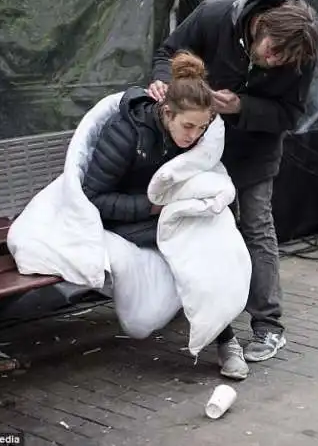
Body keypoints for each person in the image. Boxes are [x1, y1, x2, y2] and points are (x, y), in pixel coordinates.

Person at [146, 0, 318, 363]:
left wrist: (243, 106)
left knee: (257, 228)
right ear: (262, 26)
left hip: (255, 151)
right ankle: (203, 313)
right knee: (195, 226)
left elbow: (291, 115)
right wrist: (163, 81)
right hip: (197, 147)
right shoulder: (216, 15)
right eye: (272, 50)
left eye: (282, 60)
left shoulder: (301, 54)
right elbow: (168, 53)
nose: (273, 61)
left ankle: (268, 327)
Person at [82, 51, 250, 380]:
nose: (193, 137)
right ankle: (227, 341)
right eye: (188, 126)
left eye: (201, 129)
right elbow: (93, 197)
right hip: (124, 220)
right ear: (166, 111)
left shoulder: (194, 138)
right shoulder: (126, 132)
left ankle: (221, 331)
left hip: (166, 212)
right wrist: (150, 207)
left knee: (217, 231)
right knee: (195, 243)